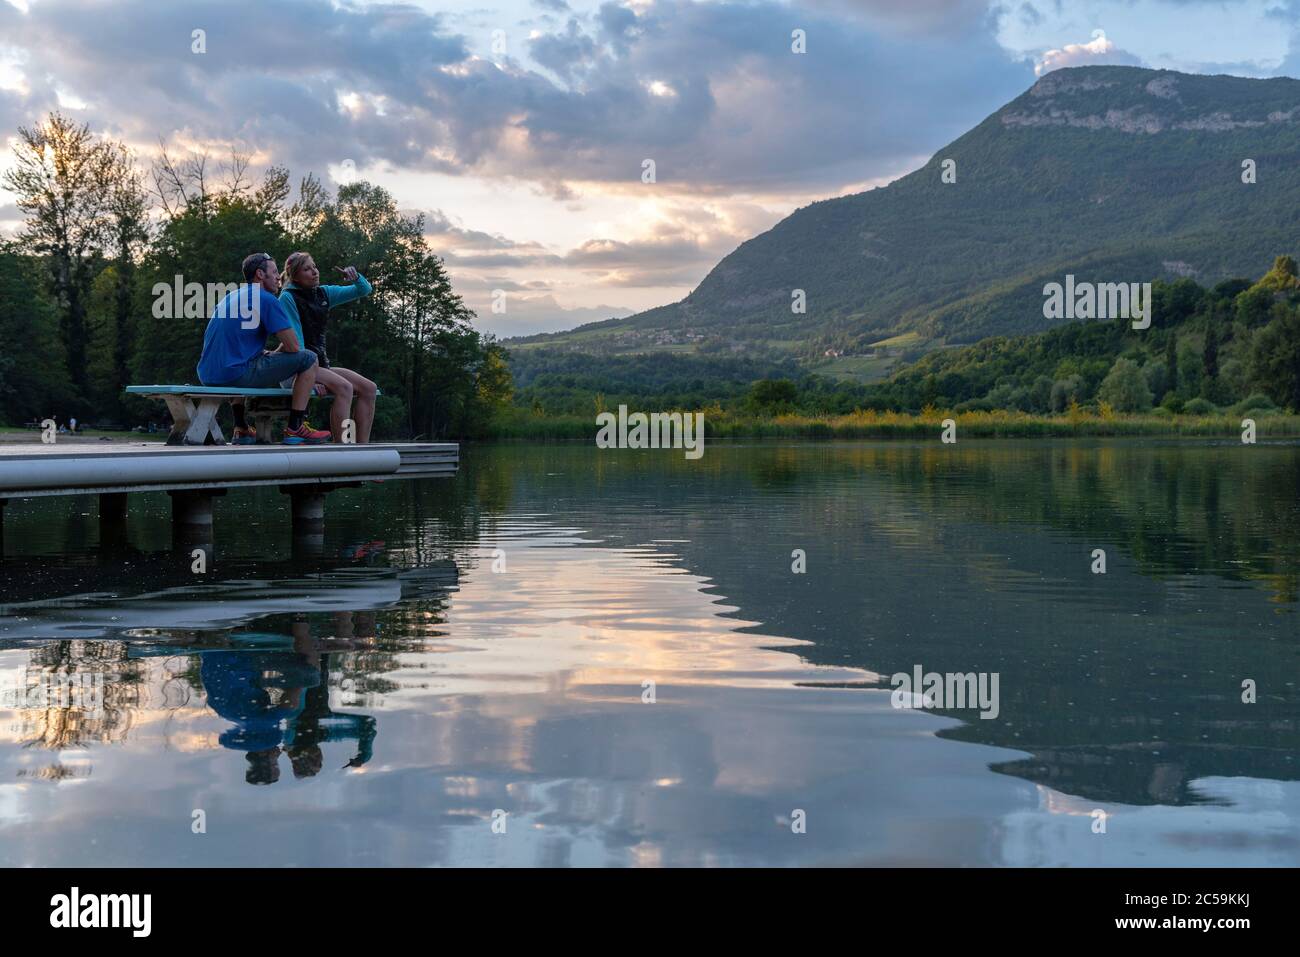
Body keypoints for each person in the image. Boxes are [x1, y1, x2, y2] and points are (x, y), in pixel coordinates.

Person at [196, 253, 331, 445]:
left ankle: (241, 427)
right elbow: (293, 347)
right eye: (275, 272)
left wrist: (264, 354)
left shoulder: (231, 296)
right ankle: (295, 427)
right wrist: (276, 354)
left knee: (243, 362)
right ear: (260, 274)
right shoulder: (267, 299)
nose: (279, 277)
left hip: (207, 374)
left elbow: (232, 341)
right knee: (309, 358)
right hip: (235, 375)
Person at [279, 252, 378, 443]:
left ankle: (362, 447)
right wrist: (307, 379)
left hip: (320, 367)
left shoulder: (324, 293)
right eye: (307, 269)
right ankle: (342, 446)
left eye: (314, 266)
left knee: (369, 388)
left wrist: (356, 277)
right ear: (295, 276)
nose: (315, 272)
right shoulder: (287, 298)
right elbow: (296, 343)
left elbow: (363, 290)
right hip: (297, 369)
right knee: (345, 387)